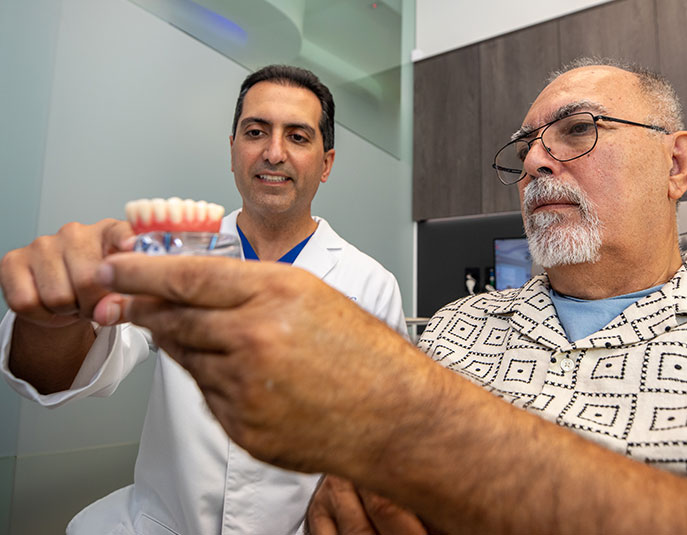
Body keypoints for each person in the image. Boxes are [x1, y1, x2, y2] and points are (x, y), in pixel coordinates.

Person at [52, 58, 687, 533]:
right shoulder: (454, 330)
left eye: (576, 130)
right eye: (526, 145)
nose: (536, 158)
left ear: (677, 162)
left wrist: (435, 445)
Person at [0, 65, 407, 534]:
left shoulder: (371, 283)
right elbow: (75, 370)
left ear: (326, 163)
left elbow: (380, 444)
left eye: (297, 137)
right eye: (256, 132)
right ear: (233, 149)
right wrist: (53, 319)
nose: (273, 153)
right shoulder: (173, 251)